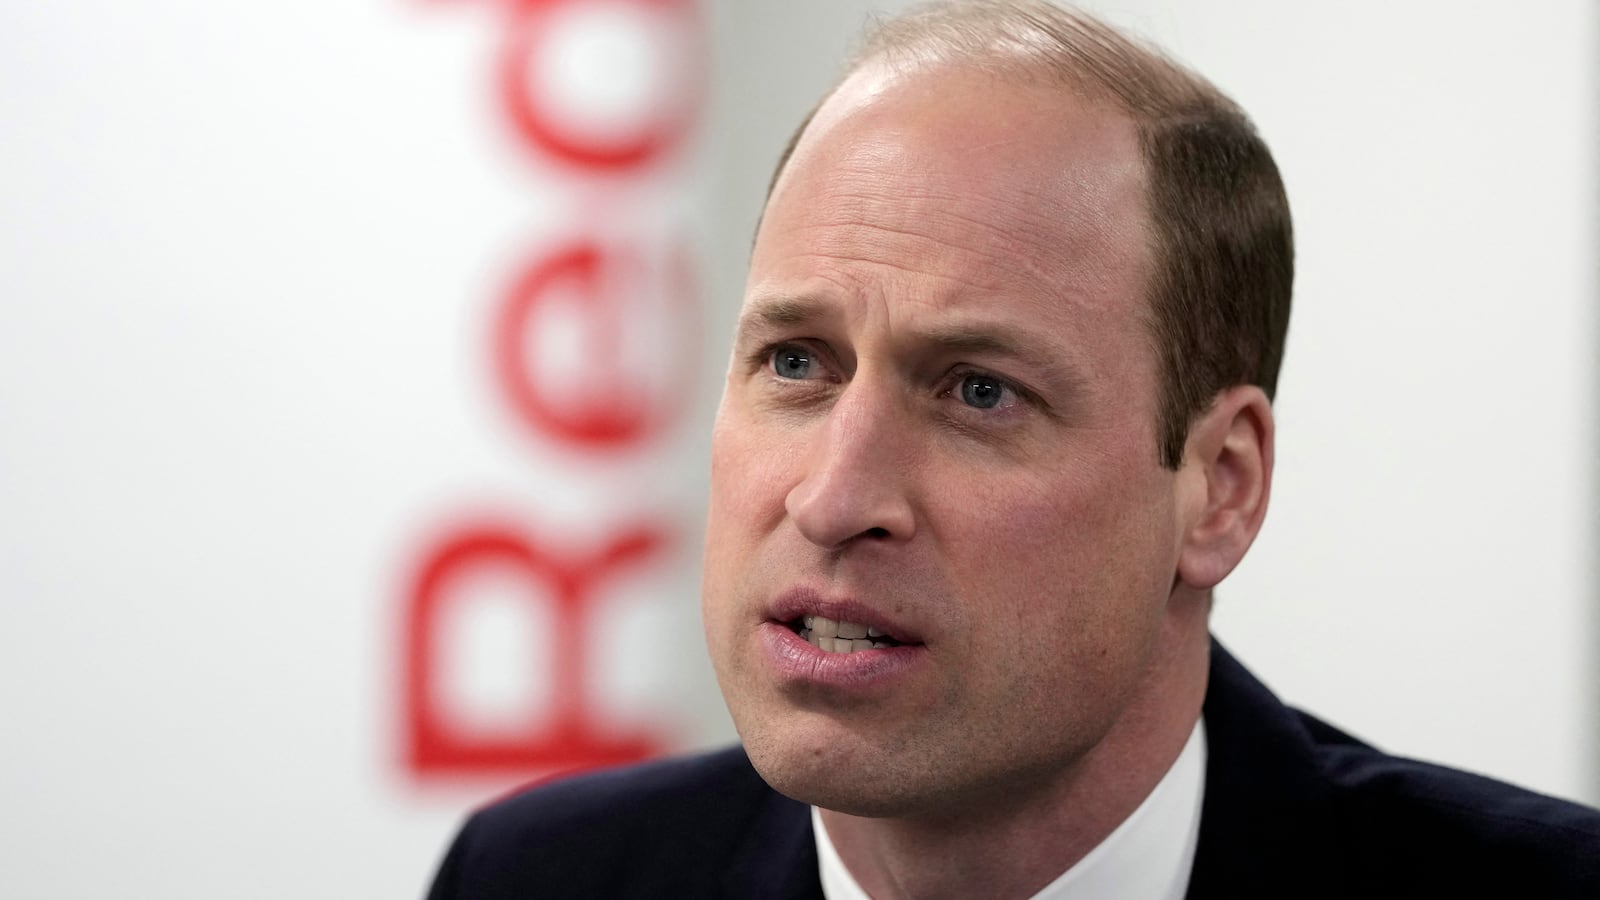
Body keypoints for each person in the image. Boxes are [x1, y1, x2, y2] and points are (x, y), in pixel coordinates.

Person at [425, 2, 1600, 897]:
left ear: (1219, 491)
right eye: (796, 362)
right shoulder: (536, 876)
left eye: (979, 391)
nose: (834, 499)